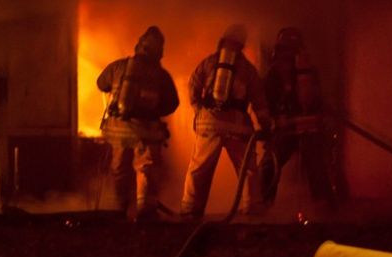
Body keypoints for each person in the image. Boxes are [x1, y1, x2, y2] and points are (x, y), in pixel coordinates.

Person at [180, 24, 271, 220]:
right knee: (247, 169)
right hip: (238, 126)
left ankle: (190, 209)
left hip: (209, 123)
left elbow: (193, 86)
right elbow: (259, 100)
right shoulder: (248, 69)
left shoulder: (208, 62)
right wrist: (265, 125)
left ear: (222, 42)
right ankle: (252, 208)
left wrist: (199, 110)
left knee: (199, 168)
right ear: (242, 45)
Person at [97, 26, 179, 222]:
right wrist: (153, 112)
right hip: (147, 131)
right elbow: (172, 103)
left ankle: (118, 210)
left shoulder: (118, 66)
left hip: (119, 130)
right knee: (146, 169)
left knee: (119, 169)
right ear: (159, 51)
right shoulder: (161, 75)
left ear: (138, 46)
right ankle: (146, 211)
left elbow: (101, 83)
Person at [259, 27, 337, 209]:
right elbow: (318, 97)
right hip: (309, 127)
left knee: (270, 164)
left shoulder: (274, 72)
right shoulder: (308, 69)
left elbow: (267, 99)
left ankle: (264, 204)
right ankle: (324, 205)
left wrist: (271, 121)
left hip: (287, 128)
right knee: (316, 166)